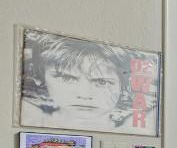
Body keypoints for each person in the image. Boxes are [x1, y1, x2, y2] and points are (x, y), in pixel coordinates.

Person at [21, 33, 156, 133]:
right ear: (37, 75)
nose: (84, 94)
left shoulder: (142, 128)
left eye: (102, 82)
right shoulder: (29, 116)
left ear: (126, 84)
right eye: (68, 78)